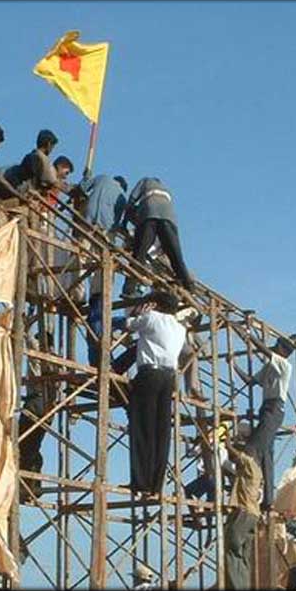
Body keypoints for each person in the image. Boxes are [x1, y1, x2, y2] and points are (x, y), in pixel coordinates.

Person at [124, 290, 186, 495]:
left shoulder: (151, 317)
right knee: (161, 431)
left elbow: (128, 324)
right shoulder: (180, 328)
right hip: (168, 379)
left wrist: (138, 311)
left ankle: (141, 482)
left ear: (156, 305)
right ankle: (156, 485)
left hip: (149, 374)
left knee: (143, 427)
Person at [234, 337, 296, 508]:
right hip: (267, 409)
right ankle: (268, 500)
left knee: (253, 448)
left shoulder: (284, 365)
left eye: (277, 346)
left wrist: (248, 335)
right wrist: (234, 365)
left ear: (283, 351)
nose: (274, 348)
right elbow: (250, 381)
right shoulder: (270, 366)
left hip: (274, 409)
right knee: (266, 454)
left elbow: (264, 350)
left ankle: (253, 491)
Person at [121, 177, 194, 296]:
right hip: (169, 218)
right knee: (175, 255)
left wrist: (124, 222)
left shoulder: (144, 181)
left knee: (139, 253)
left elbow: (132, 200)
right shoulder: (165, 189)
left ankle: (129, 289)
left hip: (149, 214)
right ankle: (189, 287)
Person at [224, 440, 262, 590]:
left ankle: (236, 587)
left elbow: (242, 458)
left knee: (231, 547)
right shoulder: (249, 472)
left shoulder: (251, 465)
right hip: (252, 515)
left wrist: (228, 445)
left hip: (245, 512)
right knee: (244, 555)